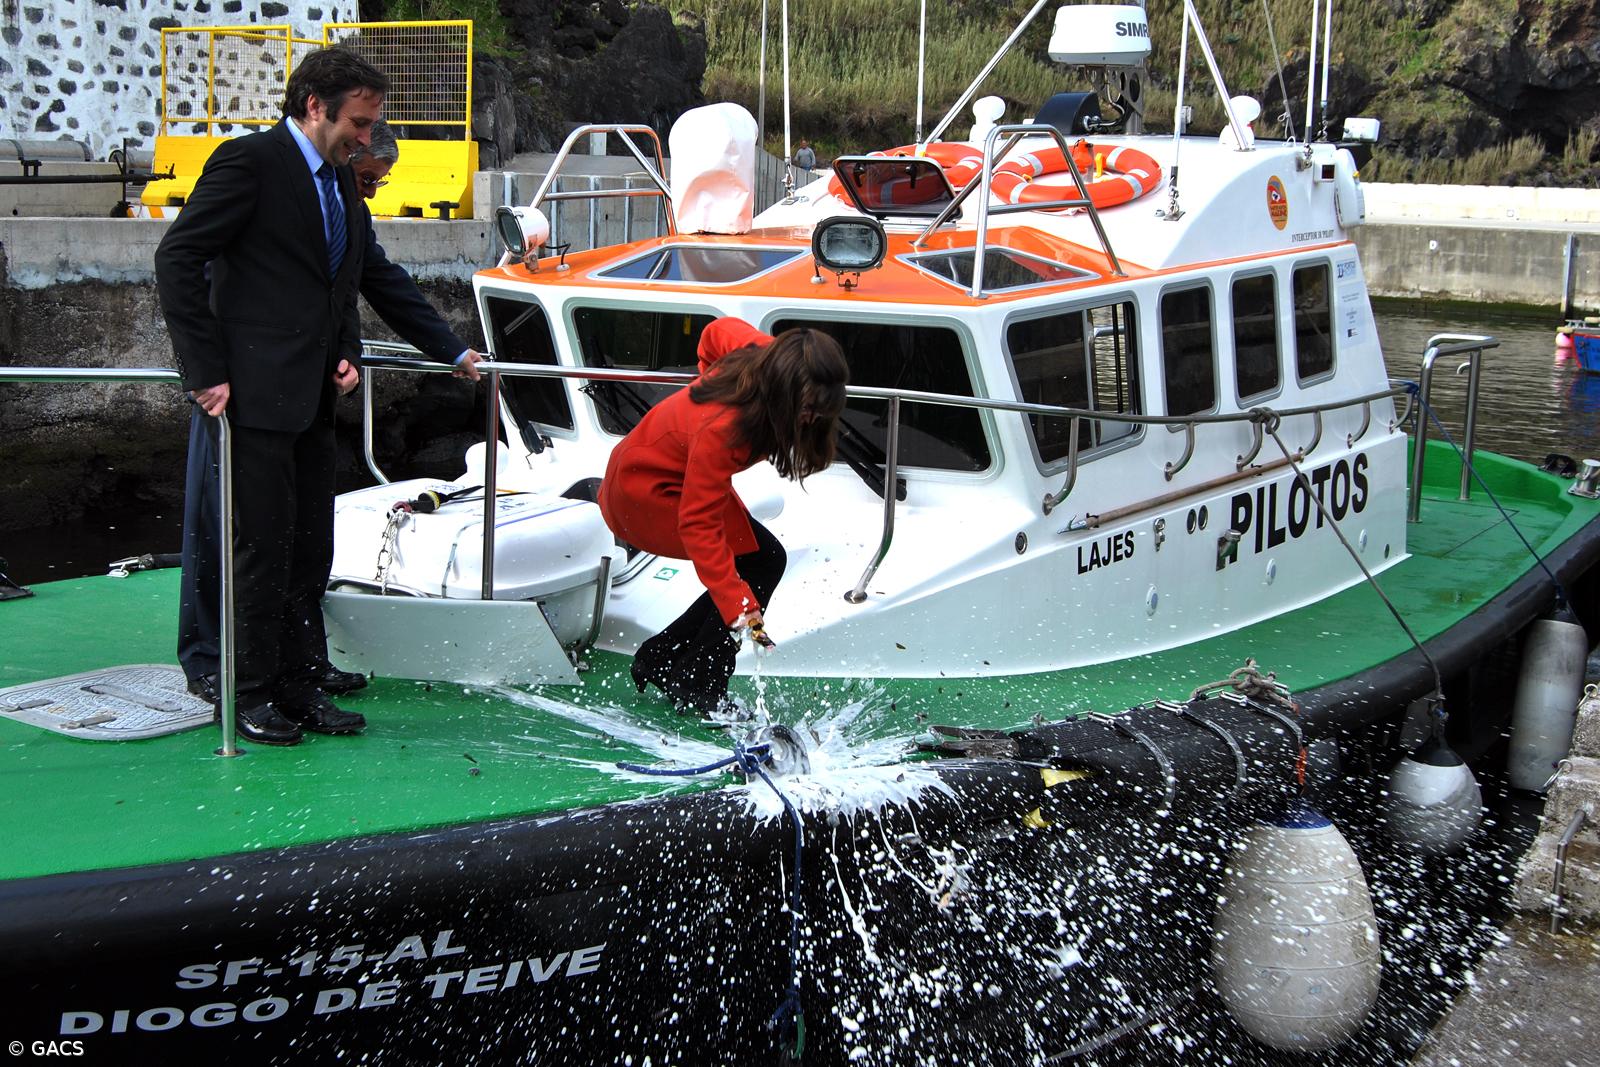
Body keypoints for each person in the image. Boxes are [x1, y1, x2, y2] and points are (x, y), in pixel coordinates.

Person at [157, 48, 482, 747]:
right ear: (314, 106)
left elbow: (361, 279)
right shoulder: (250, 164)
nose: (367, 138)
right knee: (259, 550)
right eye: (360, 123)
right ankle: (248, 693)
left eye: (370, 124)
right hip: (248, 399)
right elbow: (177, 257)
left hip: (309, 399)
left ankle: (302, 686)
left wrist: (448, 350)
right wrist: (204, 371)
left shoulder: (338, 181)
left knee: (310, 549)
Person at [597, 318, 848, 717]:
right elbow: (699, 527)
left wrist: (704, 383)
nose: (811, 420)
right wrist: (740, 608)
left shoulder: (762, 353)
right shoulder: (724, 428)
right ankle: (699, 681)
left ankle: (664, 657)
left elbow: (715, 332)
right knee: (754, 564)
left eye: (821, 409)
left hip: (677, 471)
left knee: (764, 559)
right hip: (643, 492)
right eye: (805, 410)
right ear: (782, 391)